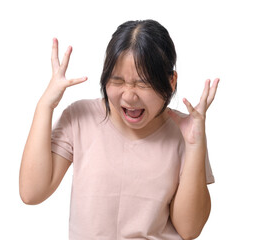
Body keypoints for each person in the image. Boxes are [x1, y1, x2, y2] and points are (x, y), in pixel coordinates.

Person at [19, 19, 219, 240]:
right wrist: (45, 104)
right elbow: (32, 193)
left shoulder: (186, 130)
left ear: (171, 82)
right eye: (118, 81)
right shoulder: (80, 117)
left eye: (143, 83)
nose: (129, 96)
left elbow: (189, 229)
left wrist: (194, 146)